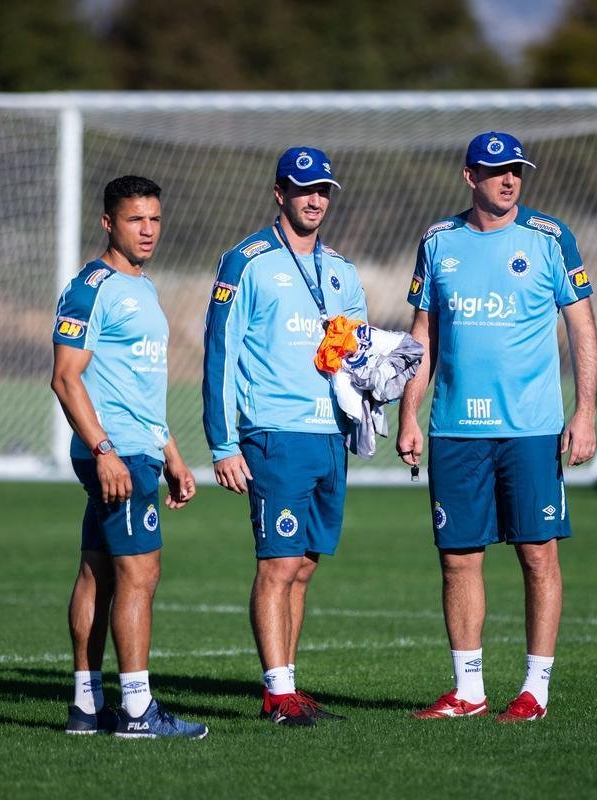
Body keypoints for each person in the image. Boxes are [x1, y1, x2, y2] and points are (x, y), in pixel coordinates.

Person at [397, 132, 597, 723]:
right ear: (469, 177)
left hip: (531, 430)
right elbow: (422, 337)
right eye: (496, 171)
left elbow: (582, 330)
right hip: (455, 430)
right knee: (458, 558)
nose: (509, 180)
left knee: (538, 555)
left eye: (516, 170)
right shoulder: (438, 241)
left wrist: (583, 412)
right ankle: (469, 691)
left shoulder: (550, 238)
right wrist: (409, 413)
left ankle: (535, 690)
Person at [202, 147, 367, 727]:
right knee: (277, 563)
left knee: (303, 566)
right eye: (303, 189)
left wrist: (378, 383)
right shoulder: (245, 261)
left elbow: (359, 354)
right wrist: (223, 445)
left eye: (323, 189)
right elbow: (219, 354)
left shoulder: (342, 271)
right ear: (280, 194)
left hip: (330, 436)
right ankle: (276, 694)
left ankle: (289, 686)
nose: (315, 199)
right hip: (274, 433)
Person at [51, 175, 207, 739]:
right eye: (136, 219)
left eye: (155, 219)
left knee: (97, 574)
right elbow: (66, 379)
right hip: (115, 457)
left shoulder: (144, 286)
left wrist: (173, 456)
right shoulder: (92, 287)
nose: (148, 230)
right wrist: (105, 451)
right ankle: (139, 710)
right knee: (139, 576)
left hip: (140, 451)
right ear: (108, 223)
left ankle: (87, 708)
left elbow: (140, 387)